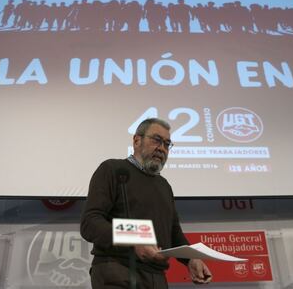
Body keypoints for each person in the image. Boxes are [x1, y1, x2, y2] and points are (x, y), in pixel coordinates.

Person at [81, 118, 212, 288]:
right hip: (117, 271)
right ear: (137, 140)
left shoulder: (164, 186)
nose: (162, 148)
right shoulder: (112, 169)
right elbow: (90, 223)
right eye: (156, 140)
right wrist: (134, 240)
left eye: (167, 144)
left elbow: (173, 233)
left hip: (157, 277)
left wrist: (191, 259)